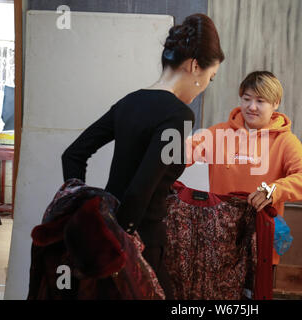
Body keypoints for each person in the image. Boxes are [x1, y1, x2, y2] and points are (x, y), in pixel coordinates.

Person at [61, 13, 224, 298]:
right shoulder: (180, 114)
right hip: (141, 241)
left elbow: (73, 155)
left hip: (109, 236)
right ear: (195, 66)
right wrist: (125, 238)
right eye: (210, 77)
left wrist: (85, 214)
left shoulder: (130, 102)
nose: (205, 87)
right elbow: (141, 188)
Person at [187, 71, 302, 265]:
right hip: (218, 238)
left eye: (260, 101)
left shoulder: (285, 141)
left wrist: (274, 190)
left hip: (260, 243)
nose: (252, 107)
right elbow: (184, 152)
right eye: (246, 99)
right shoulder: (219, 133)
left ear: (276, 103)